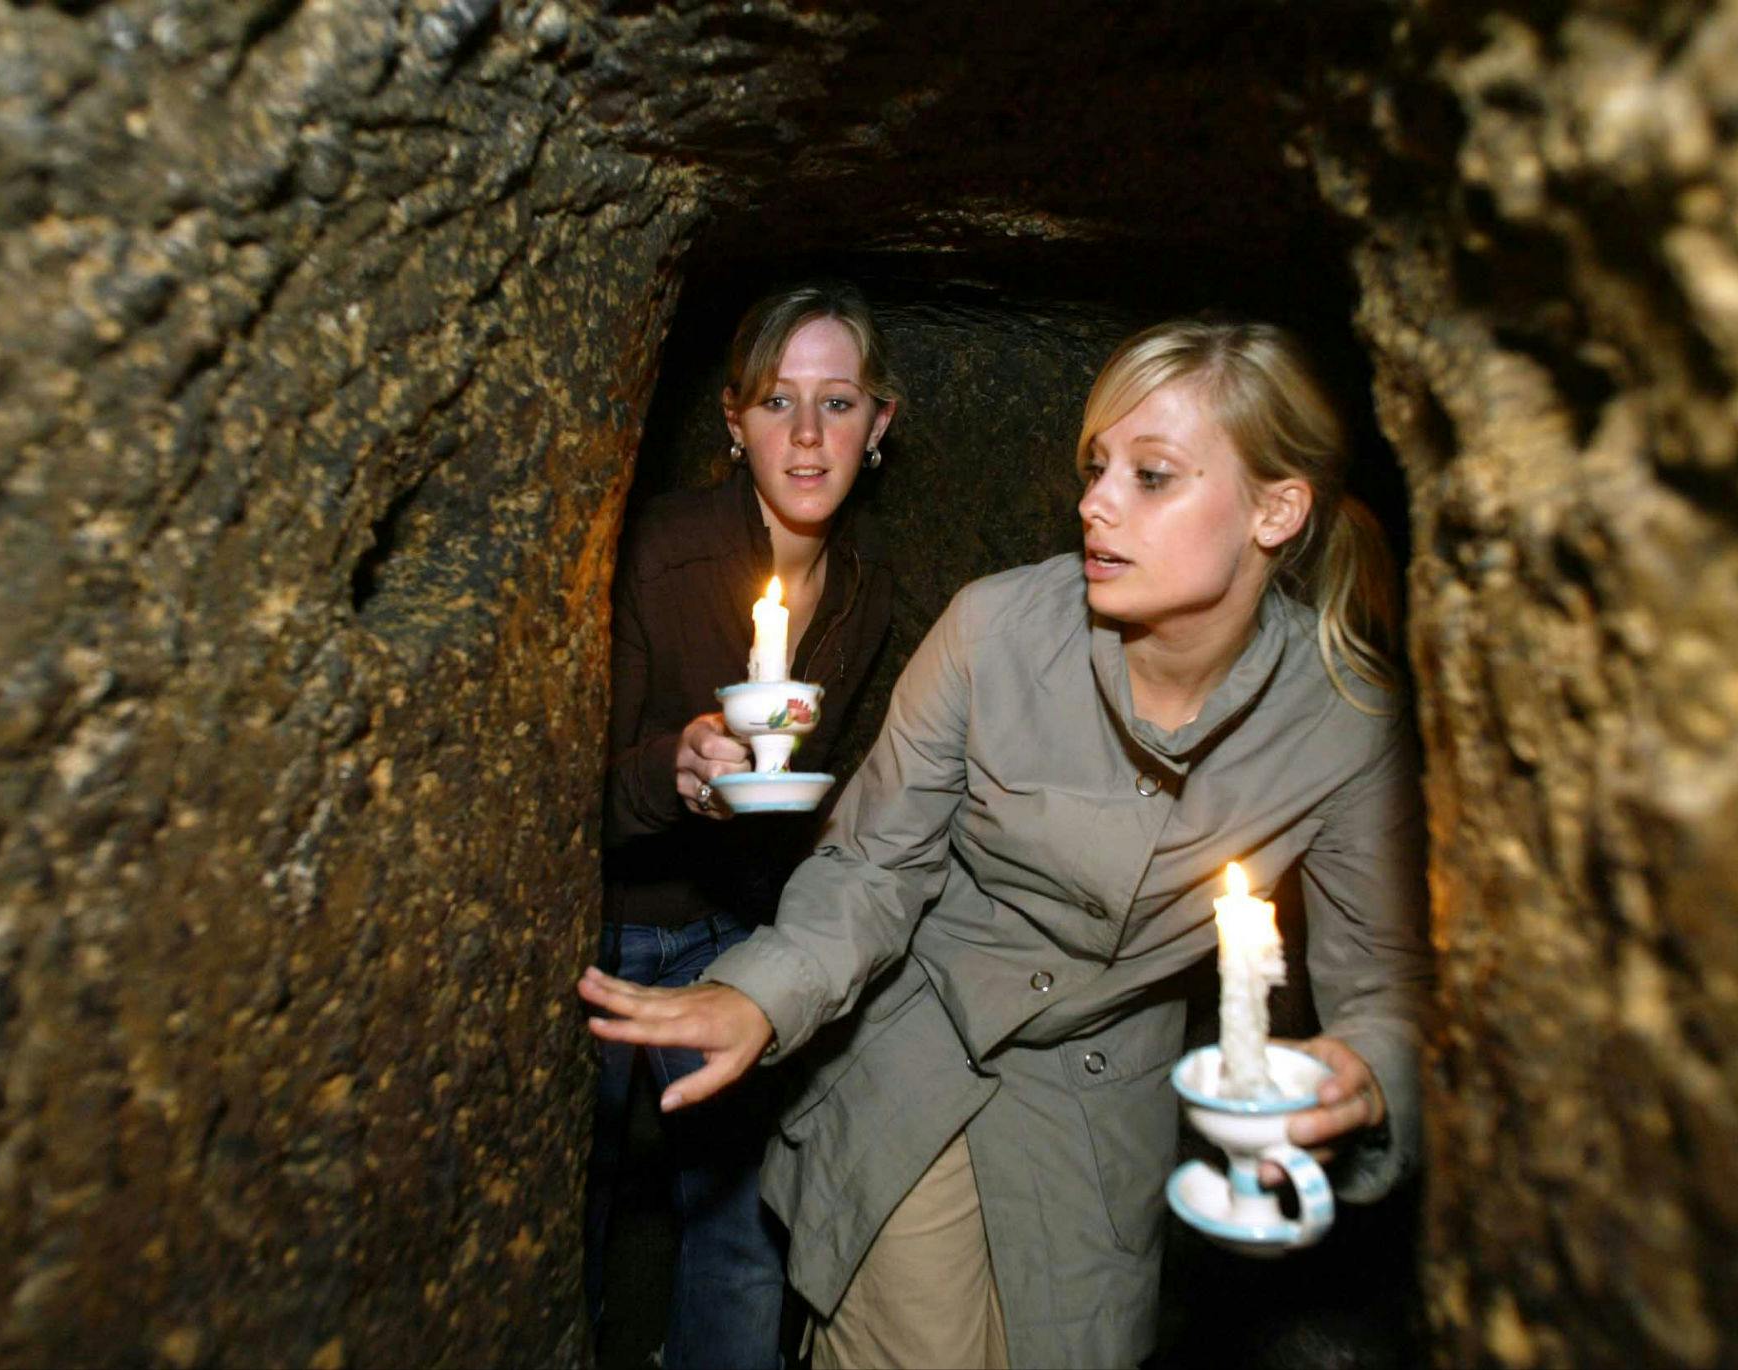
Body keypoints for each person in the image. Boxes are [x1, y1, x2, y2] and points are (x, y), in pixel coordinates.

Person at [579, 318, 1432, 1369]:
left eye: (1150, 475)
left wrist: (1365, 1072)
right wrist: (761, 989)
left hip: (1095, 1113)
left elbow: (1386, 981)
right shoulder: (993, 628)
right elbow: (873, 863)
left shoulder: (1344, 718)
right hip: (911, 1047)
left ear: (1274, 508)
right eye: (1094, 466)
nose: (1094, 503)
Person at [586, 281, 902, 1369]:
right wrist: (670, 767)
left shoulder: (867, 590)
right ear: (732, 421)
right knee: (569, 1209)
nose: (806, 437)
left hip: (738, 932)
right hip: (607, 930)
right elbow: (568, 794)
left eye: (838, 402)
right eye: (776, 402)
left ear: (880, 424)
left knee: (741, 1230)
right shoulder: (659, 549)